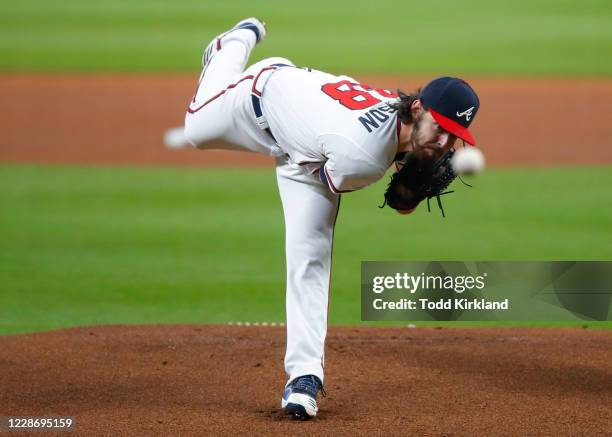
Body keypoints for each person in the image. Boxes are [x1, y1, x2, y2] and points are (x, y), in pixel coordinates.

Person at [181, 17, 480, 420]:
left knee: (311, 256)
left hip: (313, 147)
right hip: (263, 99)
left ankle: (303, 379)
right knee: (195, 129)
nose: (444, 141)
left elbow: (396, 189)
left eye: (454, 134)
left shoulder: (399, 136)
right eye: (439, 127)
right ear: (416, 108)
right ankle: (232, 44)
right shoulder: (362, 156)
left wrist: (410, 166)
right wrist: (408, 176)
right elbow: (372, 190)